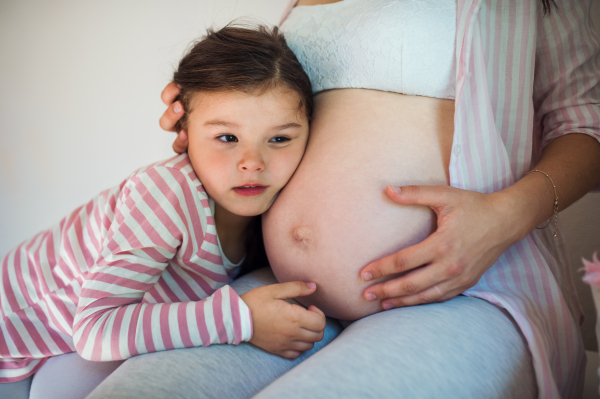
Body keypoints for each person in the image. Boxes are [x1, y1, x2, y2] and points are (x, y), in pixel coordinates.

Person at [96, 0, 600, 398]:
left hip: (456, 287)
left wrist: (503, 218)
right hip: (282, 284)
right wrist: (215, 121)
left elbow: (586, 125)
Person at [0, 24, 337, 399]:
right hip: (15, 344)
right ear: (184, 132)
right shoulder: (166, 193)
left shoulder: (273, 205)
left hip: (65, 344)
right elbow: (95, 330)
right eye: (227, 138)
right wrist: (240, 319)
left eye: (279, 139)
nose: (252, 163)